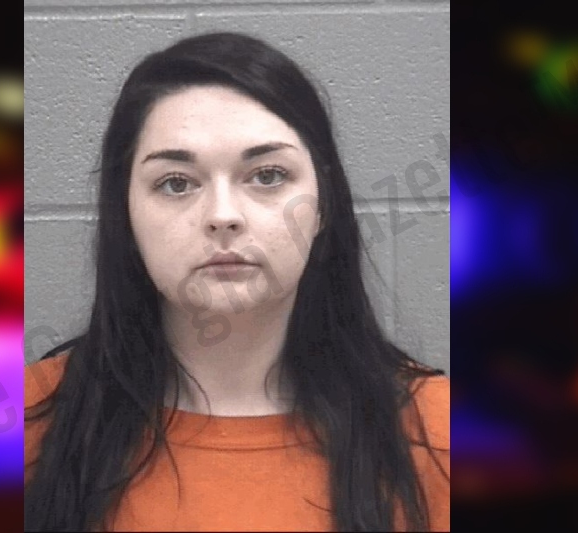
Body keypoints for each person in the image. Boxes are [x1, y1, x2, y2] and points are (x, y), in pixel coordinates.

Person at [24, 32, 449, 532]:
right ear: (126, 215)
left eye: (267, 176)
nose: (222, 215)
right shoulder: (18, 425)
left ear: (323, 206)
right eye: (176, 183)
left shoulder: (443, 434)